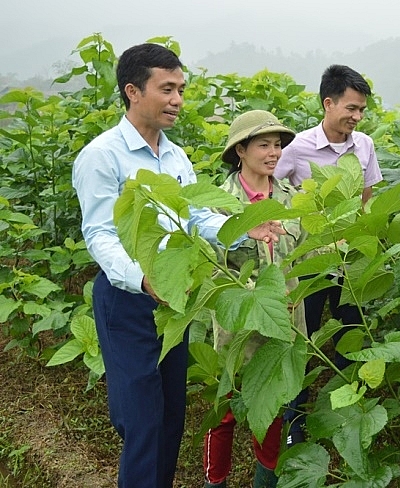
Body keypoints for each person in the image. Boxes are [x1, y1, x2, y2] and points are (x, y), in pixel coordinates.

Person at [71, 43, 284, 488]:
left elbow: (197, 217)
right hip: (129, 298)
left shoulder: (175, 156)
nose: (178, 101)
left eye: (181, 90)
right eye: (166, 89)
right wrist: (141, 277)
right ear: (132, 91)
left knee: (170, 418)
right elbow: (100, 234)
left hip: (174, 298)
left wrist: (248, 228)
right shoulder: (102, 156)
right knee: (143, 423)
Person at [274, 64, 383, 444]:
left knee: (352, 334)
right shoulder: (297, 148)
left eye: (361, 111)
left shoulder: (365, 146)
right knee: (303, 339)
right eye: (351, 108)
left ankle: (345, 411)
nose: (356, 117)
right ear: (328, 103)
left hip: (349, 263)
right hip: (310, 262)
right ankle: (296, 421)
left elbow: (367, 201)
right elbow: (273, 192)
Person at [202, 110, 306, 488]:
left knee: (275, 409)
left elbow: (304, 257)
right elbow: (211, 265)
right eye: (264, 144)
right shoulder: (219, 205)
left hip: (284, 323)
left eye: (278, 145)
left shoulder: (291, 199)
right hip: (238, 328)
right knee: (226, 410)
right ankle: (215, 482)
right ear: (241, 151)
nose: (274, 152)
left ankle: (266, 481)